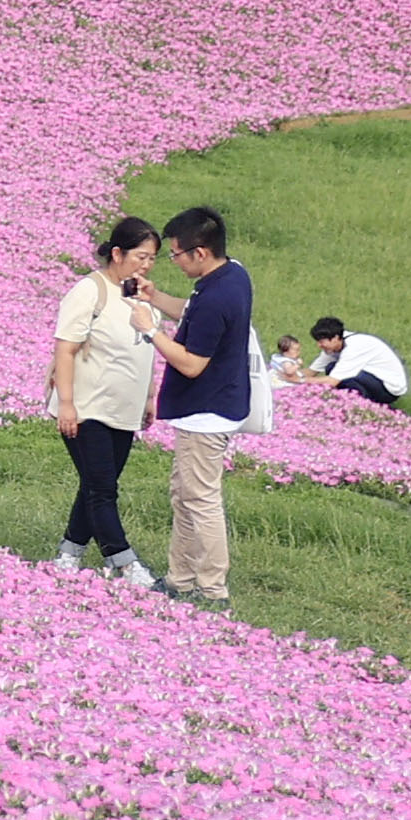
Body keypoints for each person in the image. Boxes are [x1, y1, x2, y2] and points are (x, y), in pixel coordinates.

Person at [139, 205, 253, 606]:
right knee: (184, 494)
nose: (174, 261)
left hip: (206, 412)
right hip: (215, 405)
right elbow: (191, 315)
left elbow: (190, 363)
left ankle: (212, 587)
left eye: (176, 254)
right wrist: (155, 299)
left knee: (201, 499)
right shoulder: (232, 275)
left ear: (200, 252)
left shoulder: (216, 297)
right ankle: (181, 578)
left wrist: (150, 331)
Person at [48, 217, 161, 587]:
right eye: (140, 256)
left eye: (152, 258)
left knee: (97, 483)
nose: (146, 265)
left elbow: (145, 350)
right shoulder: (90, 290)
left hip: (123, 410)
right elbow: (65, 349)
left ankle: (69, 553)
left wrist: (149, 396)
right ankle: (124, 563)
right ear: (117, 253)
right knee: (102, 488)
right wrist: (67, 403)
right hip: (87, 407)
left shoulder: (142, 297)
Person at [308, 316, 408, 407]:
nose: (319, 345)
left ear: (335, 338)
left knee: (346, 377)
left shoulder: (354, 347)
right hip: (371, 378)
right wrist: (293, 374)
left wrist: (300, 380)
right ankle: (346, 401)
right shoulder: (333, 348)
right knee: (331, 367)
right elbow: (311, 372)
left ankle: (360, 405)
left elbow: (331, 381)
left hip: (388, 389)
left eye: (322, 342)